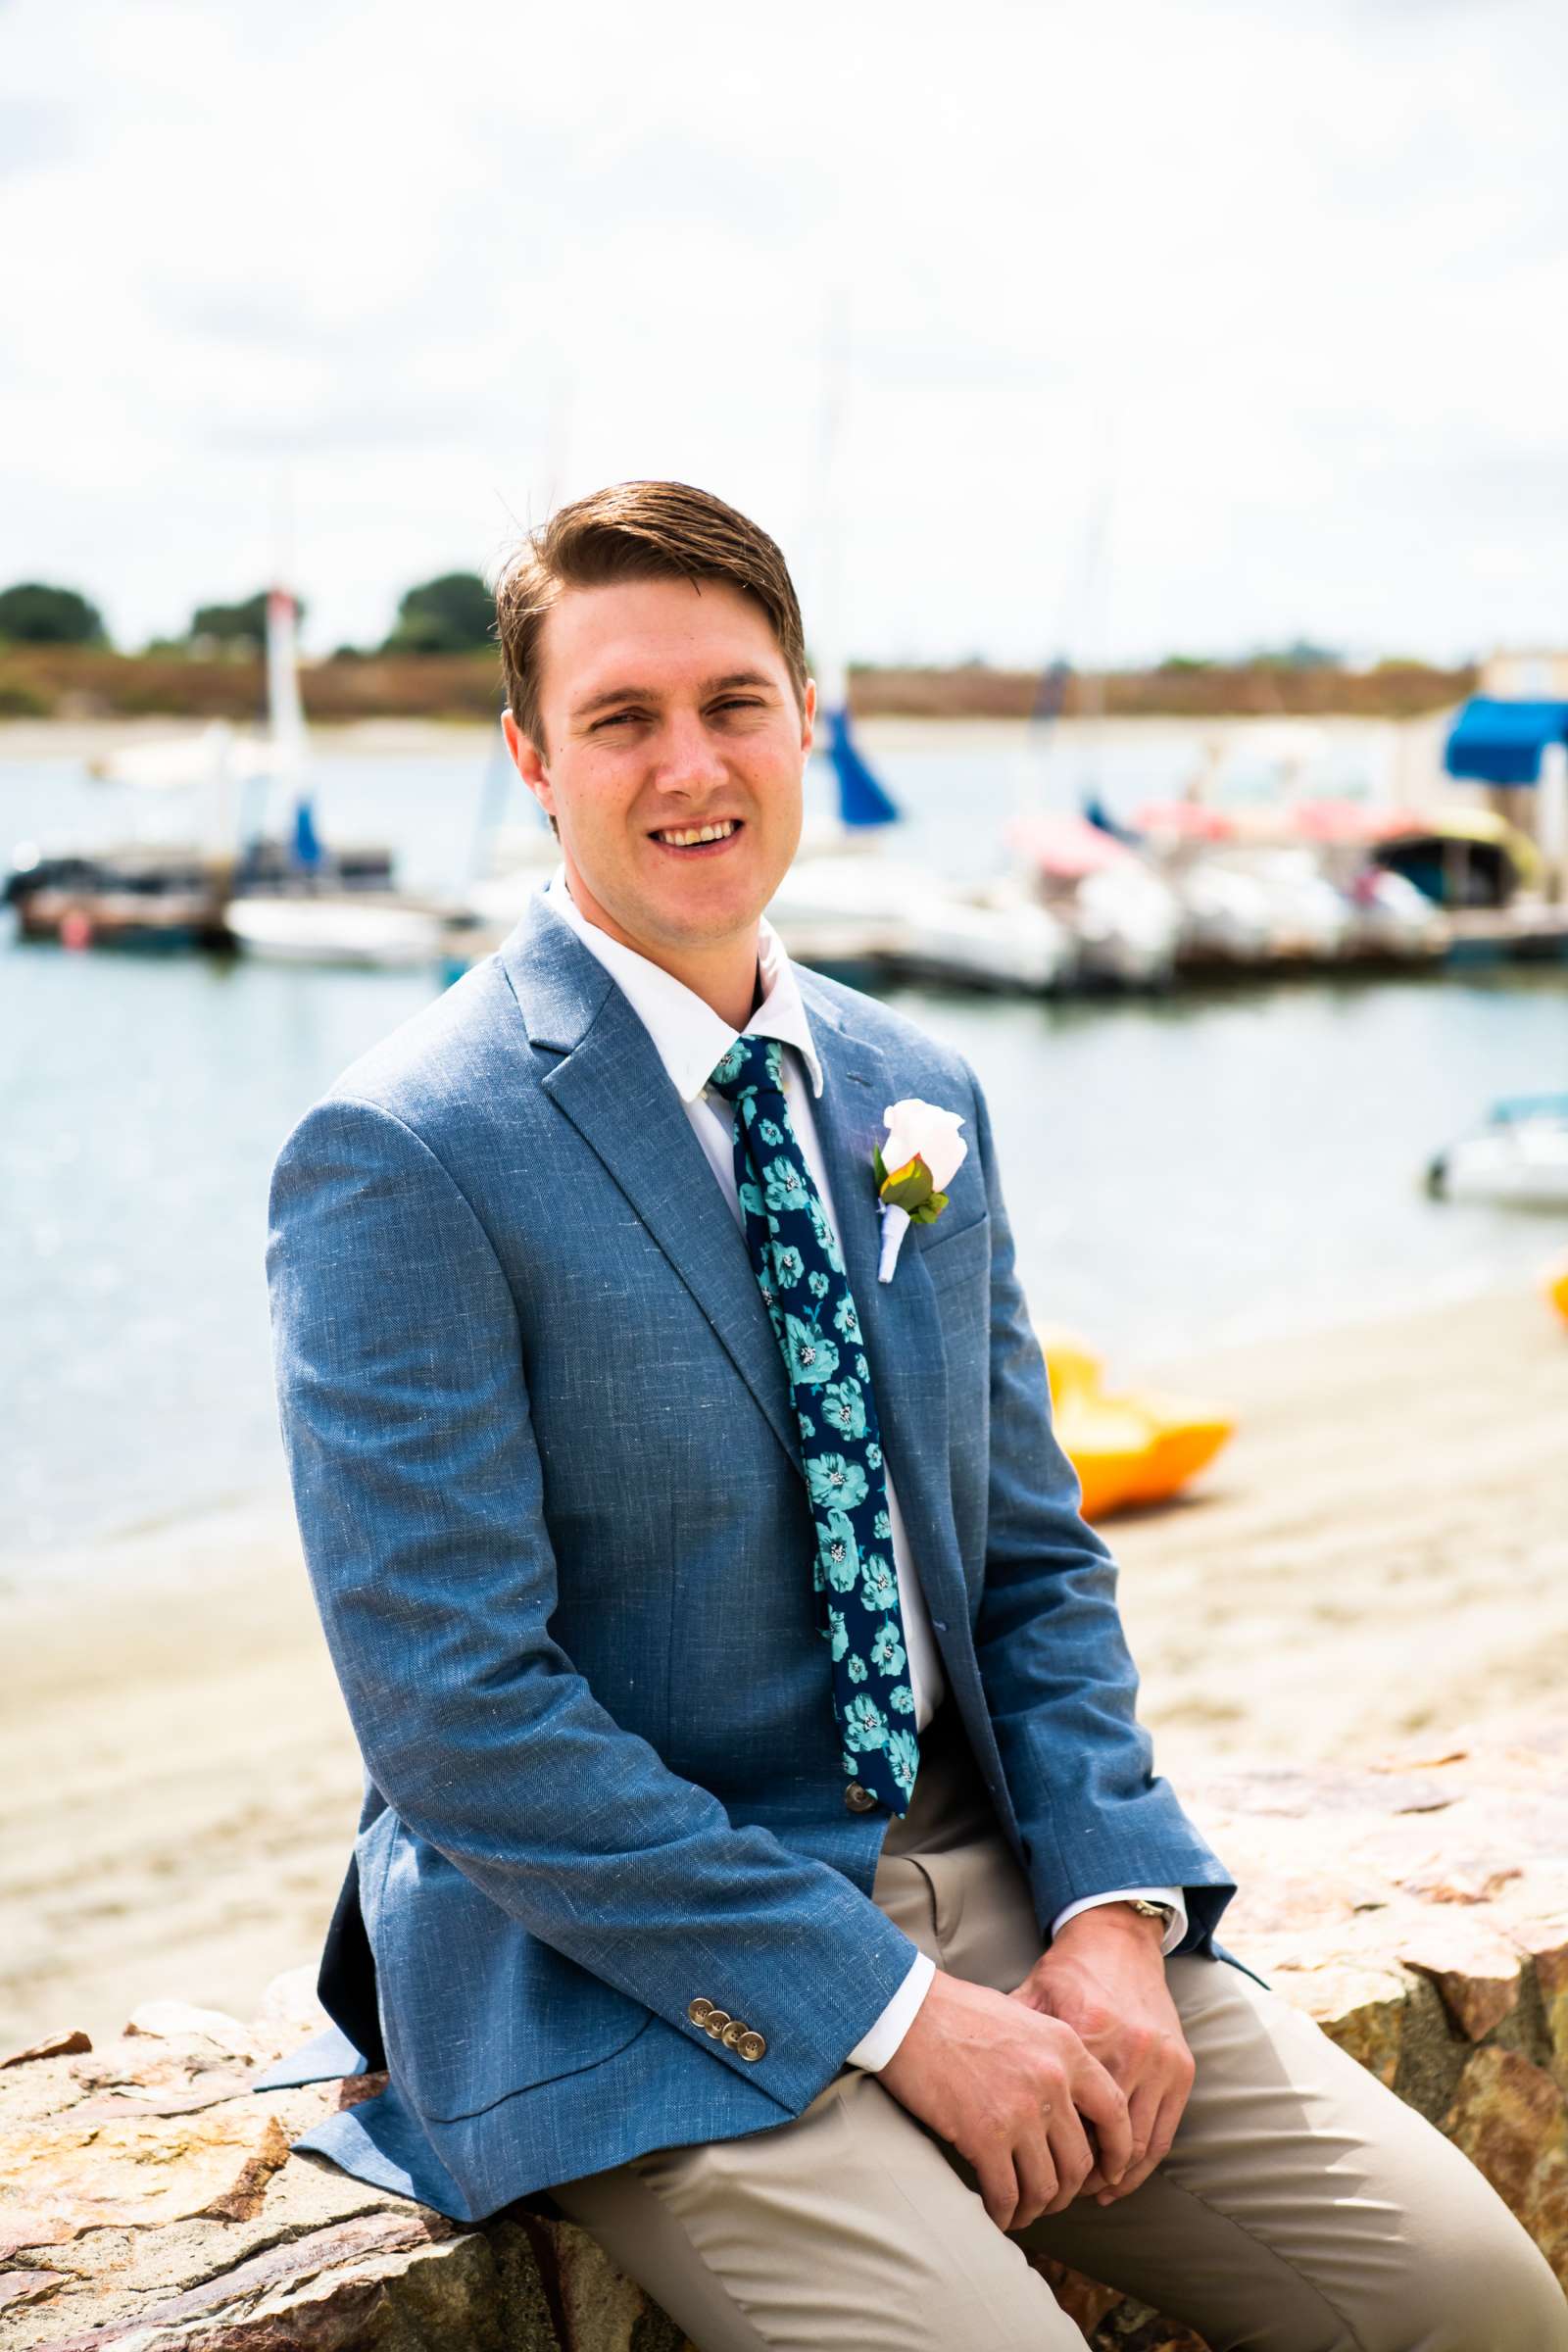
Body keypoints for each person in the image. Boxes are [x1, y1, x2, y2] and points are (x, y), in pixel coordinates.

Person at [260, 481, 1564, 2350]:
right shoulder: (404, 1149)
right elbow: (457, 1712)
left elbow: (1030, 1552)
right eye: (621, 717)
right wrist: (894, 2012)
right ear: (531, 757)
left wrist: (1116, 1909)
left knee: (1476, 2305)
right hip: (630, 1956)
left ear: (808, 716)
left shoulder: (911, 1082)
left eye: (734, 701)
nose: (688, 761)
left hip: (1010, 1874)